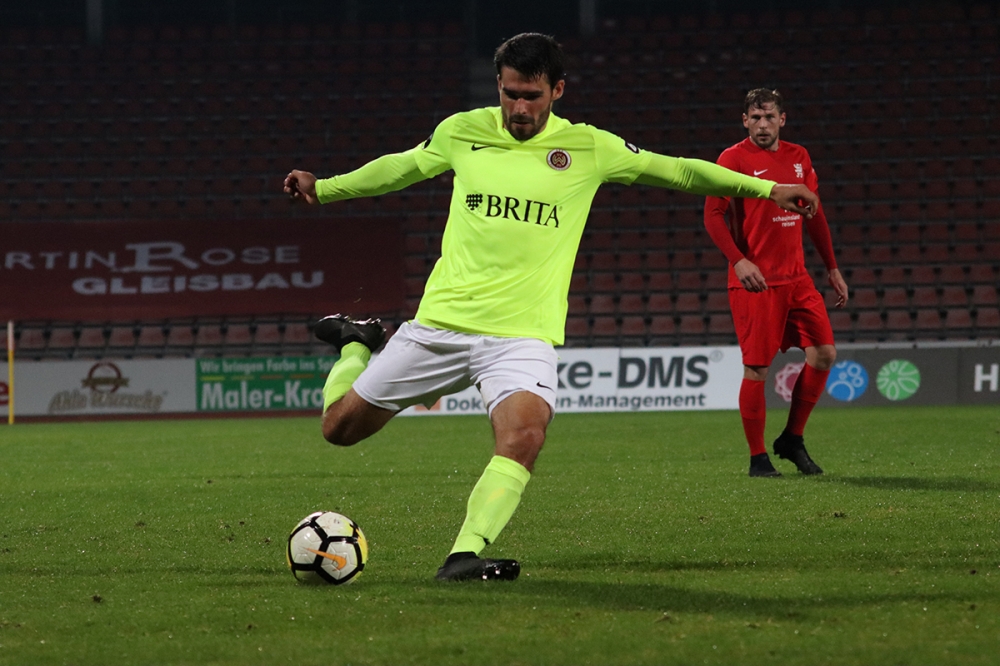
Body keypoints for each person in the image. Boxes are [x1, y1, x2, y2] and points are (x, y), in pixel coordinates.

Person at [285, 35, 819, 581]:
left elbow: (679, 171)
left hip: (521, 335)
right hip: (442, 324)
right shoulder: (462, 131)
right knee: (338, 429)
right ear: (498, 85)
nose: (519, 107)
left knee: (525, 434)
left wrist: (766, 191)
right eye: (510, 94)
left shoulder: (589, 147)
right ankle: (357, 343)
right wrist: (324, 188)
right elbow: (401, 167)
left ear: (557, 90)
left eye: (532, 96)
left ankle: (464, 555)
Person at [703, 88, 849, 478]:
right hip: (757, 282)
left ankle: (792, 439)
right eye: (755, 118)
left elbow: (814, 213)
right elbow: (713, 216)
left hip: (797, 278)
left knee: (824, 354)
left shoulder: (799, 157)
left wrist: (832, 267)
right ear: (744, 121)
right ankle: (757, 458)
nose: (762, 125)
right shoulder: (732, 159)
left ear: (782, 119)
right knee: (757, 369)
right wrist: (738, 261)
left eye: (769, 117)